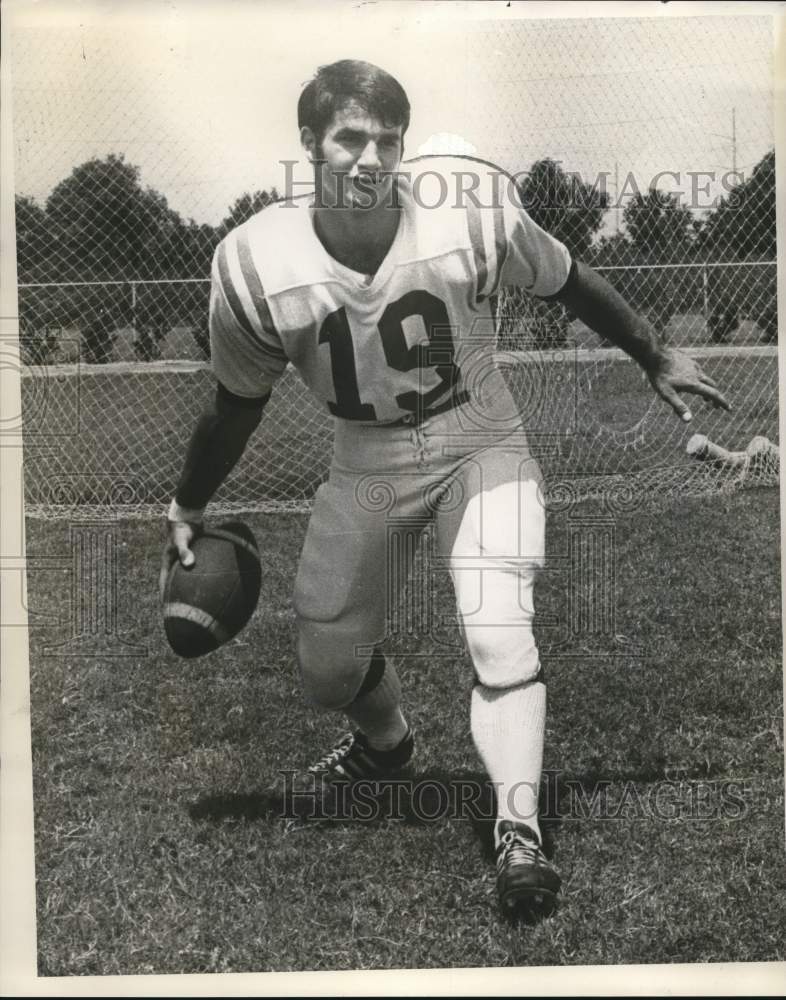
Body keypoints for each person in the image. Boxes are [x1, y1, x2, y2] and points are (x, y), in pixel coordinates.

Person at [162, 59, 729, 919]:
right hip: (366, 459)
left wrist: (653, 353)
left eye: (388, 140)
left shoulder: (466, 209)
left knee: (498, 623)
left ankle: (520, 832)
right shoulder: (252, 263)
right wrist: (189, 503)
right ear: (309, 142)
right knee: (326, 667)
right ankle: (387, 746)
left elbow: (569, 279)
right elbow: (236, 405)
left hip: (478, 434)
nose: (369, 158)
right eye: (350, 137)